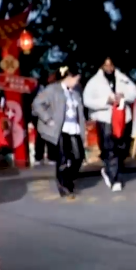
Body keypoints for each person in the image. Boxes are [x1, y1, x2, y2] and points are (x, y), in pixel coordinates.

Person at [83, 58, 136, 192]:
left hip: (123, 118)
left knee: (123, 148)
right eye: (105, 65)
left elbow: (134, 93)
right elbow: (87, 100)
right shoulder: (94, 82)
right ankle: (115, 179)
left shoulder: (122, 78)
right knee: (110, 148)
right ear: (101, 66)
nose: (109, 67)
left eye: (111, 64)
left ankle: (109, 170)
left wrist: (123, 96)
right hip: (105, 119)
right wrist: (106, 101)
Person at [32, 67, 86, 198]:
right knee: (63, 159)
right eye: (76, 79)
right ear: (69, 78)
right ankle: (64, 186)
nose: (77, 82)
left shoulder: (76, 92)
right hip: (60, 128)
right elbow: (37, 104)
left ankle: (69, 178)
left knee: (78, 157)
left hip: (74, 128)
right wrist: (47, 118)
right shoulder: (52, 89)